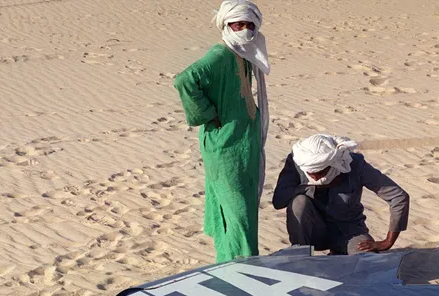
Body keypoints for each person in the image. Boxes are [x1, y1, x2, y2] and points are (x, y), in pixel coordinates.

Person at [173, 0, 270, 263]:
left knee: (243, 207)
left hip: (243, 143)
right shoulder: (220, 55)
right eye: (239, 24)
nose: (246, 30)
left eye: (250, 25)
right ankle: (244, 262)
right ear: (227, 26)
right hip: (225, 145)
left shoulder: (244, 54)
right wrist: (207, 113)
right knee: (237, 209)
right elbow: (184, 80)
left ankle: (230, 260)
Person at [272, 134, 410, 255]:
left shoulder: (354, 164)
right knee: (299, 202)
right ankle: (300, 258)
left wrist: (387, 242)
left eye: (320, 171)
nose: (314, 176)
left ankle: (338, 253)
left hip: (348, 231)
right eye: (310, 173)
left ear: (335, 164)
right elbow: (279, 201)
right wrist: (309, 187)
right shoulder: (298, 163)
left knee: (367, 259)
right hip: (313, 232)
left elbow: (398, 196)